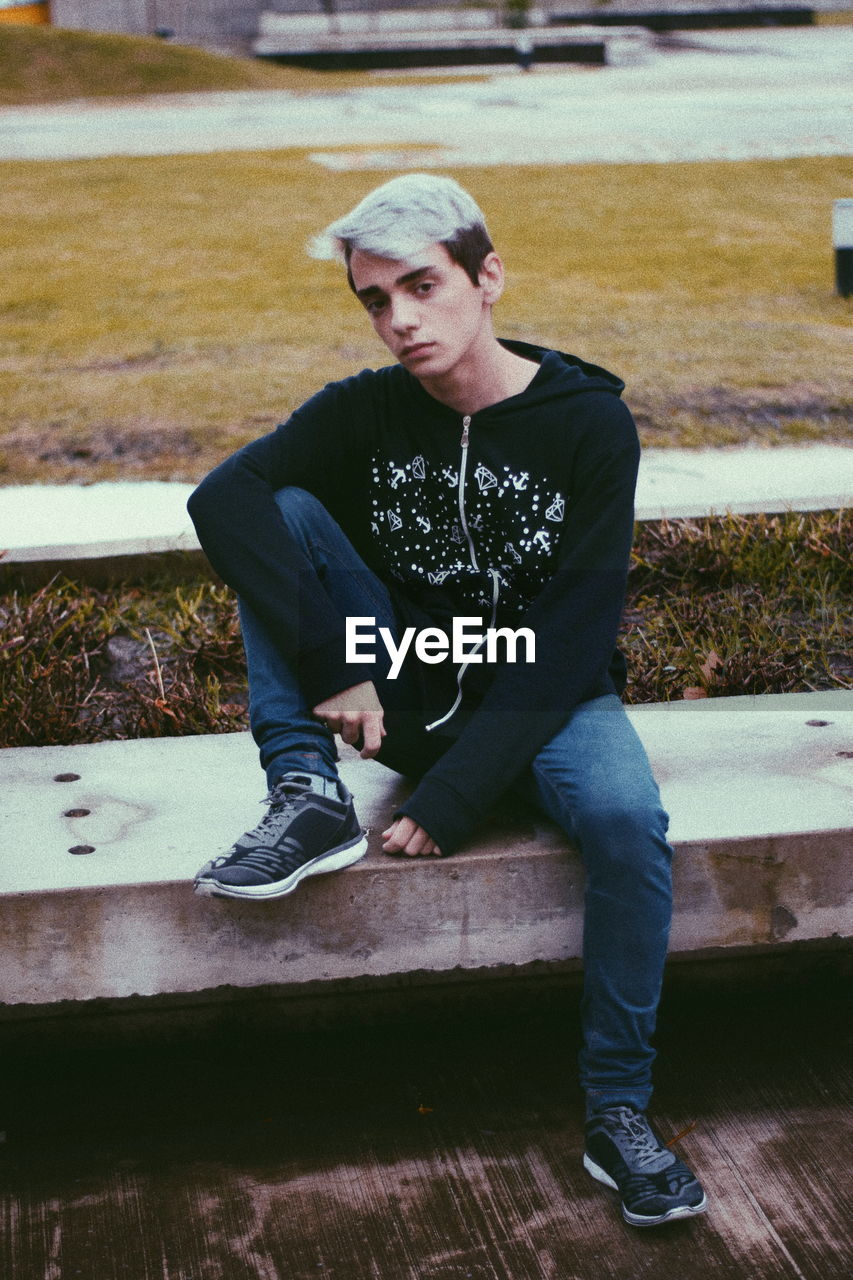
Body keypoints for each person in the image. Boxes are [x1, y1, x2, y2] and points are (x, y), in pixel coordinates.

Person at [187, 174, 707, 1229]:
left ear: (488, 276)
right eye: (375, 299)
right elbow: (219, 501)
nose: (400, 320)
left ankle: (618, 1108)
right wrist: (338, 658)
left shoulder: (589, 424)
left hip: (545, 691)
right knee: (274, 507)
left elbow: (572, 637)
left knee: (625, 820)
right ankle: (304, 790)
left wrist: (462, 792)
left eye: (421, 285)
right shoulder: (363, 409)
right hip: (404, 678)